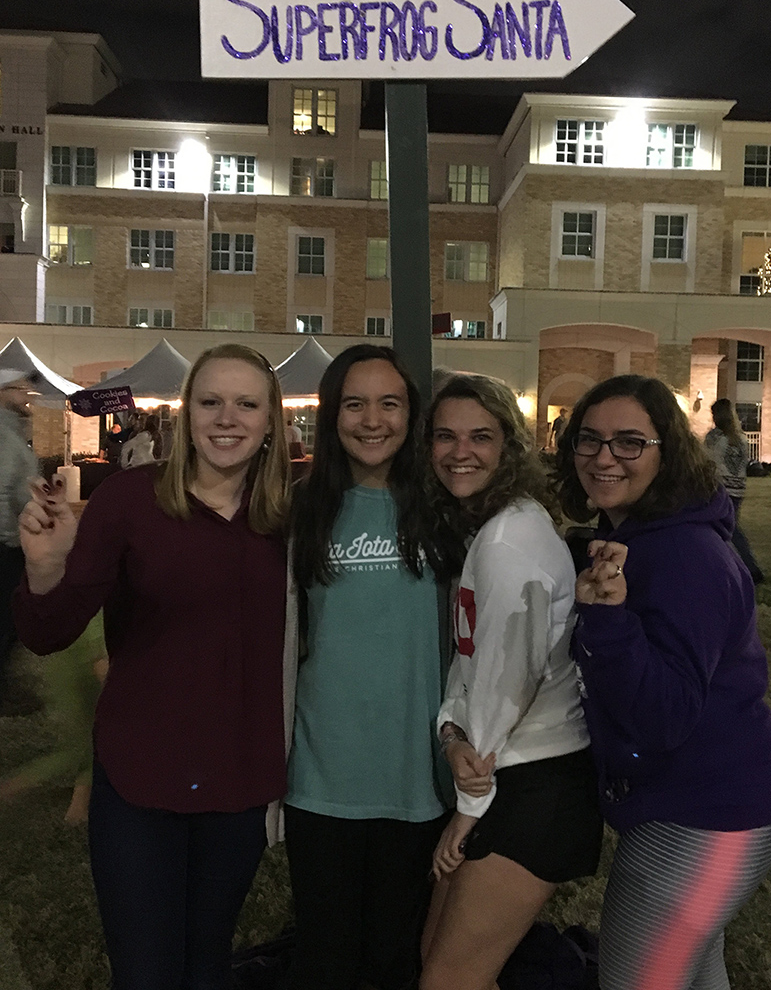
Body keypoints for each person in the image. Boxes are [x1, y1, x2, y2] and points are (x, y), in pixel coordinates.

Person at [14, 343, 296, 990]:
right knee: (145, 972)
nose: (227, 418)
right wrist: (46, 566)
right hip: (140, 777)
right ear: (185, 412)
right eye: (211, 402)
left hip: (240, 780)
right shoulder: (131, 502)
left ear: (270, 421)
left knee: (206, 962)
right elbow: (47, 633)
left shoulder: (291, 516)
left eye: (246, 404)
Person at [555, 374, 771, 990]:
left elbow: (664, 717)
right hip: (698, 801)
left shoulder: (685, 555)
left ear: (668, 451)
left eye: (630, 442)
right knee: (689, 970)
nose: (604, 457)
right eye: (590, 439)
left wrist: (606, 622)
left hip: (710, 814)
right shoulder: (635, 535)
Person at [420, 375, 602, 990]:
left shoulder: (506, 541)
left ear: (509, 447)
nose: (459, 451)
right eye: (444, 436)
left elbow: (506, 684)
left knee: (449, 980)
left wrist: (467, 811)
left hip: (534, 781)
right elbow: (473, 664)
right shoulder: (493, 527)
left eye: (480, 436)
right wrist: (448, 730)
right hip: (510, 772)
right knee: (442, 965)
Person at [285, 344, 451, 990]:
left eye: (390, 403)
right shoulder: (299, 511)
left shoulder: (443, 512)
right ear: (332, 417)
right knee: (325, 958)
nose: (372, 419)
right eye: (354, 404)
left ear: (412, 415)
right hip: (321, 777)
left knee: (392, 957)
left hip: (416, 780)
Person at [0, 611, 107, 824]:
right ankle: (11, 787)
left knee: (96, 742)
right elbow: (100, 665)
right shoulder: (102, 610)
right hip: (70, 681)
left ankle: (79, 806)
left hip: (77, 675)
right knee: (76, 750)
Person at [0, 367, 38, 708]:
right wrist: (10, 535)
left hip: (10, 540)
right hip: (4, 543)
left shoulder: (13, 434)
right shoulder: (3, 435)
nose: (26, 394)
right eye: (18, 388)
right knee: (6, 616)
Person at [705, 397, 763, 584]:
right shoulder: (741, 439)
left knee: (722, 530)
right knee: (732, 528)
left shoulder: (715, 438)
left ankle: (744, 568)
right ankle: (747, 567)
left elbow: (707, 461)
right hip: (738, 490)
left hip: (720, 489)